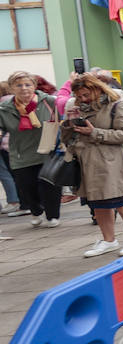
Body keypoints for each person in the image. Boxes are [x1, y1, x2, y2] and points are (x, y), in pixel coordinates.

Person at [61, 73, 123, 257]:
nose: (83, 99)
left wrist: (95, 132)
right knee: (97, 202)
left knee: (120, 199)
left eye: (86, 94)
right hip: (86, 162)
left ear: (97, 89)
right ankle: (108, 240)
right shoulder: (79, 109)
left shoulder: (117, 106)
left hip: (109, 161)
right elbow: (67, 139)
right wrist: (67, 124)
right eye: (79, 96)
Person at [0, 71, 61, 228]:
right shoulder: (4, 109)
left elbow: (60, 121)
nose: (24, 88)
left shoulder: (48, 101)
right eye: (18, 85)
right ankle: (35, 211)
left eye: (28, 84)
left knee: (49, 184)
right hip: (21, 153)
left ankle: (53, 215)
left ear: (34, 86)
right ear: (12, 88)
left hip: (47, 150)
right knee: (27, 187)